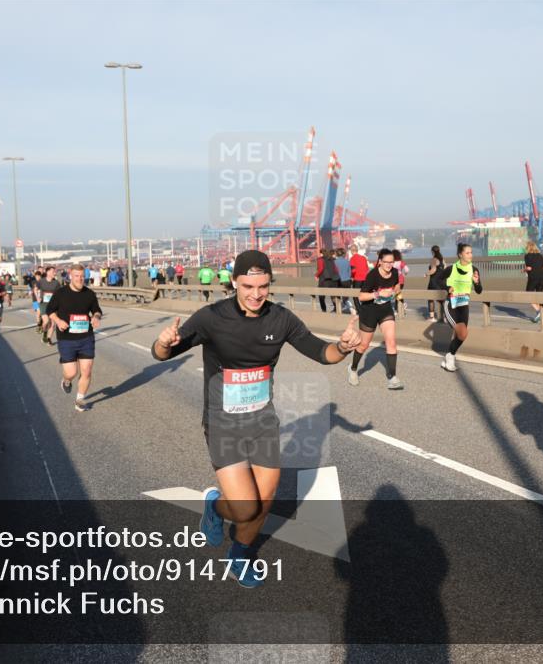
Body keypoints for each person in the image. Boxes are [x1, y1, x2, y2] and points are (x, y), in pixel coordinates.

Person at [150, 250, 362, 587]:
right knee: (246, 508)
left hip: (262, 422)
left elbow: (321, 353)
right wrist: (163, 344)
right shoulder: (211, 317)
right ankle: (216, 507)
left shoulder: (280, 319)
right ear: (234, 281)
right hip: (223, 424)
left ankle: (240, 555)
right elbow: (164, 353)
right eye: (247, 285)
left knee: (263, 504)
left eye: (263, 286)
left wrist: (343, 347)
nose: (255, 294)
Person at [45, 264, 103, 412]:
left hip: (86, 337)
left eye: (82, 276)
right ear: (71, 276)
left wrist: (96, 317)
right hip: (66, 338)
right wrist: (58, 321)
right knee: (71, 372)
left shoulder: (89, 294)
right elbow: (50, 310)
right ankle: (66, 380)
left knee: (87, 370)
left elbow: (96, 310)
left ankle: (80, 399)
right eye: (76, 276)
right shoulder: (61, 293)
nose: (79, 279)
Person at [347, 248, 404, 390]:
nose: (389, 265)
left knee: (391, 341)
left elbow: (396, 284)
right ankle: (353, 369)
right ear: (379, 261)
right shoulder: (372, 275)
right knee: (363, 345)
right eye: (386, 262)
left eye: (392, 262)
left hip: (385, 310)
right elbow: (361, 297)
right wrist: (378, 294)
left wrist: (396, 291)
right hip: (369, 311)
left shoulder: (395, 273)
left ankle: (392, 377)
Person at [439, 243, 483, 372]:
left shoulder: (474, 269)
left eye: (471, 252)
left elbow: (479, 290)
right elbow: (438, 280)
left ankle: (448, 356)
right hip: (451, 305)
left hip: (464, 306)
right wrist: (447, 288)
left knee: (460, 335)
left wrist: (477, 282)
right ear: (460, 254)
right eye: (468, 253)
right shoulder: (451, 269)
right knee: (463, 333)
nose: (471, 255)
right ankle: (450, 356)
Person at [523, 240, 543, 323]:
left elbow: (529, 268)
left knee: (528, 295)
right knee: (539, 296)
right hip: (542, 278)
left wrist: (523, 270)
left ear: (528, 248)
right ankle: (540, 313)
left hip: (533, 278)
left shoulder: (527, 256)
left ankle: (538, 311)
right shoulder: (540, 256)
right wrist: (538, 267)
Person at [37, 266, 62, 345]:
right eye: (52, 271)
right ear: (47, 272)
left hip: (53, 304)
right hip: (43, 303)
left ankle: (49, 339)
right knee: (47, 321)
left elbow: (59, 293)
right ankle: (44, 334)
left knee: (53, 323)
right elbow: (36, 289)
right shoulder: (41, 281)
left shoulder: (56, 283)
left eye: (54, 272)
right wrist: (38, 297)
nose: (54, 273)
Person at [426, 245, 446, 322]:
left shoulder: (434, 259)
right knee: (441, 299)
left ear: (432, 251)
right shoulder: (442, 260)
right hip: (441, 281)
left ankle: (432, 317)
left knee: (430, 298)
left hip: (433, 281)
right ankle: (443, 317)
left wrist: (426, 273)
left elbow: (433, 270)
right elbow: (445, 268)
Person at [349, 244, 369, 312]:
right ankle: (365, 308)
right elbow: (367, 268)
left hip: (357, 279)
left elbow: (353, 270)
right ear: (357, 250)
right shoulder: (363, 257)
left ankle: (359, 310)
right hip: (365, 279)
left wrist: (351, 277)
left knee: (355, 295)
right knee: (364, 294)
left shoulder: (352, 259)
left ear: (351, 251)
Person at [392, 249, 409, 318]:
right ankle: (400, 306)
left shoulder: (391, 263)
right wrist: (404, 274)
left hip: (393, 280)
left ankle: (397, 309)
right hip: (401, 280)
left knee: (397, 295)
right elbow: (407, 270)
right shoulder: (401, 262)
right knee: (398, 294)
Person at [334, 247, 352, 314]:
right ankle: (347, 307)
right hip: (347, 281)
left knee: (338, 296)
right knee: (346, 296)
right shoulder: (347, 261)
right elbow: (349, 273)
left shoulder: (335, 262)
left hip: (339, 281)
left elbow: (334, 272)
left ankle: (339, 309)